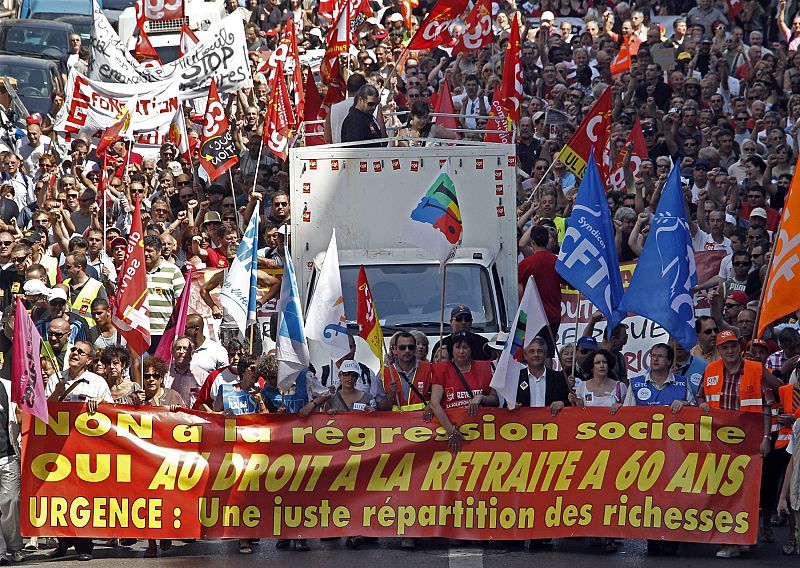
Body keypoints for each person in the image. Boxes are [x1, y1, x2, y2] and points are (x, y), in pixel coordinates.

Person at [696, 330, 773, 558]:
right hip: (719, 443)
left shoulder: (755, 369)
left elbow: (767, 406)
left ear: (739, 348)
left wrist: (766, 439)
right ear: (718, 351)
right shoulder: (710, 370)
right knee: (723, 491)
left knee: (746, 492)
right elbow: (700, 396)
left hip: (749, 442)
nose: (730, 351)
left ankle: (741, 537)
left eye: (733, 346)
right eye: (724, 347)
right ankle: (729, 541)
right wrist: (702, 404)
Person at [46, 340, 112, 561]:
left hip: (86, 450)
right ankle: (63, 542)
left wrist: (100, 402)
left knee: (84, 496)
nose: (74, 353)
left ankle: (84, 546)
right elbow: (44, 412)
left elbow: (113, 413)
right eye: (73, 349)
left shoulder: (98, 382)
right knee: (60, 495)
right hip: (59, 449)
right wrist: (56, 393)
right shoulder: (56, 379)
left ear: (89, 360)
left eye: (80, 352)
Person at [570, 348, 626, 553]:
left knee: (611, 492)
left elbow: (631, 413)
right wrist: (575, 404)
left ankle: (610, 534)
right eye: (597, 363)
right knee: (590, 491)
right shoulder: (581, 387)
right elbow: (575, 417)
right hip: (589, 449)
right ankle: (593, 529)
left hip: (613, 449)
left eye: (604, 362)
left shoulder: (620, 387)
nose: (601, 366)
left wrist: (621, 408)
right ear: (591, 367)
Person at [212, 354, 268, 554]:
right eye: (252, 368)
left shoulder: (258, 392)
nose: (256, 372)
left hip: (253, 451)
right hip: (231, 450)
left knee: (249, 495)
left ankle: (247, 531)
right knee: (238, 494)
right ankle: (243, 537)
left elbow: (267, 421)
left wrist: (260, 402)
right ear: (243, 370)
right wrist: (222, 415)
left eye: (257, 369)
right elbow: (213, 416)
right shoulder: (225, 390)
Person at [427, 332, 499, 453]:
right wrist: (451, 431)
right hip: (451, 429)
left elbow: (495, 400)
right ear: (451, 350)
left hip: (482, 432)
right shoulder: (441, 370)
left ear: (471, 349)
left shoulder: (486, 367)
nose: (461, 351)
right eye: (458, 347)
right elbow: (434, 403)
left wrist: (481, 397)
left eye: (465, 347)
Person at [140, 356, 181, 557]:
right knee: (147, 501)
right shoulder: (136, 398)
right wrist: (136, 406)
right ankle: (151, 543)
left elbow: (187, 421)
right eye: (147, 376)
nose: (151, 379)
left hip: (168, 457)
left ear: (162, 378)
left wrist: (176, 413)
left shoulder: (173, 396)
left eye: (155, 376)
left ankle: (165, 533)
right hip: (144, 458)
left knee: (166, 500)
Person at [143, 235, 185, 354]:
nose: (145, 254)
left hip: (163, 332)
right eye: (144, 251)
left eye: (150, 251)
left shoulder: (173, 271)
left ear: (159, 251)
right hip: (140, 331)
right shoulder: (136, 271)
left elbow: (182, 301)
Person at [164, 336, 208, 408]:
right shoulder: (165, 373)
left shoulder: (202, 376)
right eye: (178, 348)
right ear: (172, 352)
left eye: (185, 349)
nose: (181, 352)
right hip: (169, 414)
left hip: (192, 414)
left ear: (192, 353)